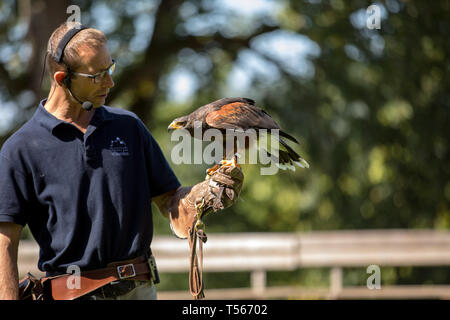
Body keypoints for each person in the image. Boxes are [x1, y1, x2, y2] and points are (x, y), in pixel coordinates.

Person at [0, 22, 243, 300]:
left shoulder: (129, 127)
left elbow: (170, 202)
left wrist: (199, 197)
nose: (110, 82)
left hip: (140, 291)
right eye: (97, 75)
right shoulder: (20, 149)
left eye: (110, 69)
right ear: (61, 78)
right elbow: (4, 244)